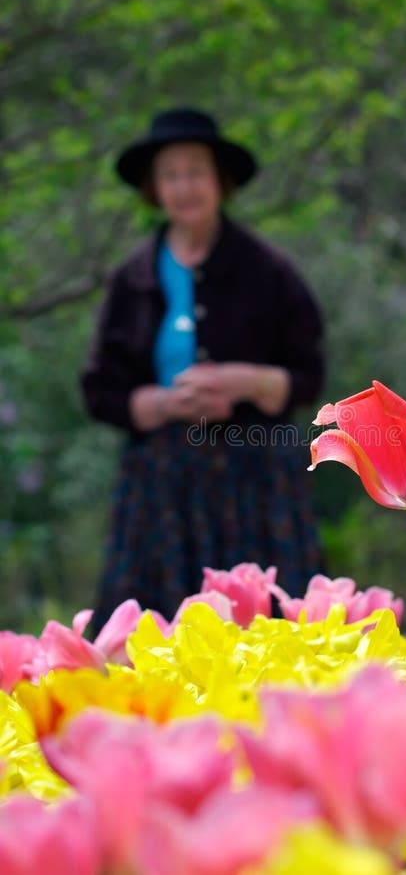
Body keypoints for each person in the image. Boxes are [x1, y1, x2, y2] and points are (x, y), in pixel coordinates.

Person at [80, 107, 326, 633]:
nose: (184, 186)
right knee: (159, 636)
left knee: (271, 632)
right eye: (170, 175)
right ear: (154, 189)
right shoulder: (132, 278)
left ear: (220, 181)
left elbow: (310, 374)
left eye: (195, 171)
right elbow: (100, 390)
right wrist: (166, 403)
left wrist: (246, 382)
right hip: (162, 494)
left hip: (256, 481)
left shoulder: (269, 270)